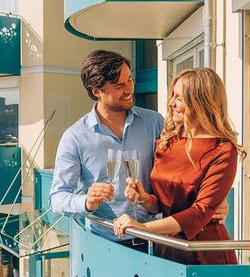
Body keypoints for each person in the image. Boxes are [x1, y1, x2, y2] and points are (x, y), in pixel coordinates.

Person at [49, 50, 227, 245]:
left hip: (157, 241)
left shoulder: (155, 122)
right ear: (96, 91)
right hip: (107, 244)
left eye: (130, 80)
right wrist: (86, 202)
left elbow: (190, 163)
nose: (129, 90)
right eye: (119, 86)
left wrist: (214, 199)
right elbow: (57, 198)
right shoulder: (74, 137)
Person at [112, 67, 245, 264]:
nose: (172, 103)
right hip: (166, 247)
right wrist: (145, 199)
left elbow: (200, 212)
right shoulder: (168, 141)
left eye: (179, 98)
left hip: (202, 252)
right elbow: (168, 204)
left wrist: (144, 228)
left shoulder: (222, 149)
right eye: (173, 96)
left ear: (201, 103)